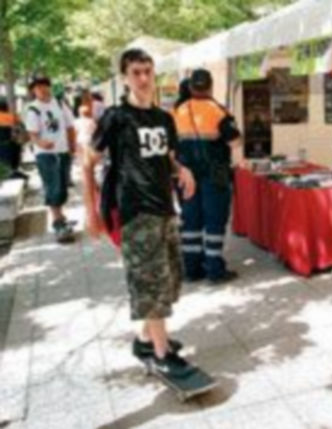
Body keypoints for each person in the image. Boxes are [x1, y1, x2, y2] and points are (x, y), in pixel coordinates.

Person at [83, 48, 198, 377]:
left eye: (148, 71)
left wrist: (182, 169)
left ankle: (146, 339)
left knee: (172, 280)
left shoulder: (164, 118)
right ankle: (162, 355)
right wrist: (92, 212)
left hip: (165, 208)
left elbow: (163, 157)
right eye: (136, 72)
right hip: (135, 211)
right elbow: (88, 161)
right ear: (125, 77)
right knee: (151, 285)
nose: (144, 78)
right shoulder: (116, 118)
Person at [172, 68, 245, 284]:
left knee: (190, 220)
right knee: (214, 220)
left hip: (186, 175)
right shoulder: (218, 111)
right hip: (216, 173)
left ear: (191, 86)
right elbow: (235, 142)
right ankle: (214, 269)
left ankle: (192, 269)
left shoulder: (177, 112)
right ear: (211, 86)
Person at [24, 73, 77, 242]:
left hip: (63, 152)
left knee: (62, 185)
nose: (42, 89)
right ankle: (58, 223)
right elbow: (32, 135)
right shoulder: (33, 109)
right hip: (45, 155)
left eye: (44, 85)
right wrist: (41, 143)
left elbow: (70, 127)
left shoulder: (60, 104)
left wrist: (72, 146)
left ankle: (61, 217)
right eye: (38, 87)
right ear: (33, 91)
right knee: (53, 186)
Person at [0, 98, 26, 181]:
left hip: (5, 146)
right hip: (10, 145)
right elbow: (21, 127)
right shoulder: (12, 117)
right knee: (11, 165)